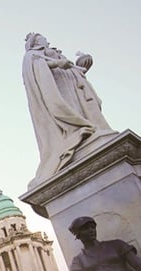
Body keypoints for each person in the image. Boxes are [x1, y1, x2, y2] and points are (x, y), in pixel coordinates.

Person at [22, 33, 114, 186]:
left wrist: (81, 67)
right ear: (35, 41)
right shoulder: (32, 55)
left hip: (73, 86)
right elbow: (37, 69)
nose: (47, 40)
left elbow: (71, 69)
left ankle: (92, 131)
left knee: (87, 110)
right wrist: (56, 63)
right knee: (70, 110)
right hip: (59, 89)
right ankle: (77, 131)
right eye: (43, 38)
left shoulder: (48, 52)